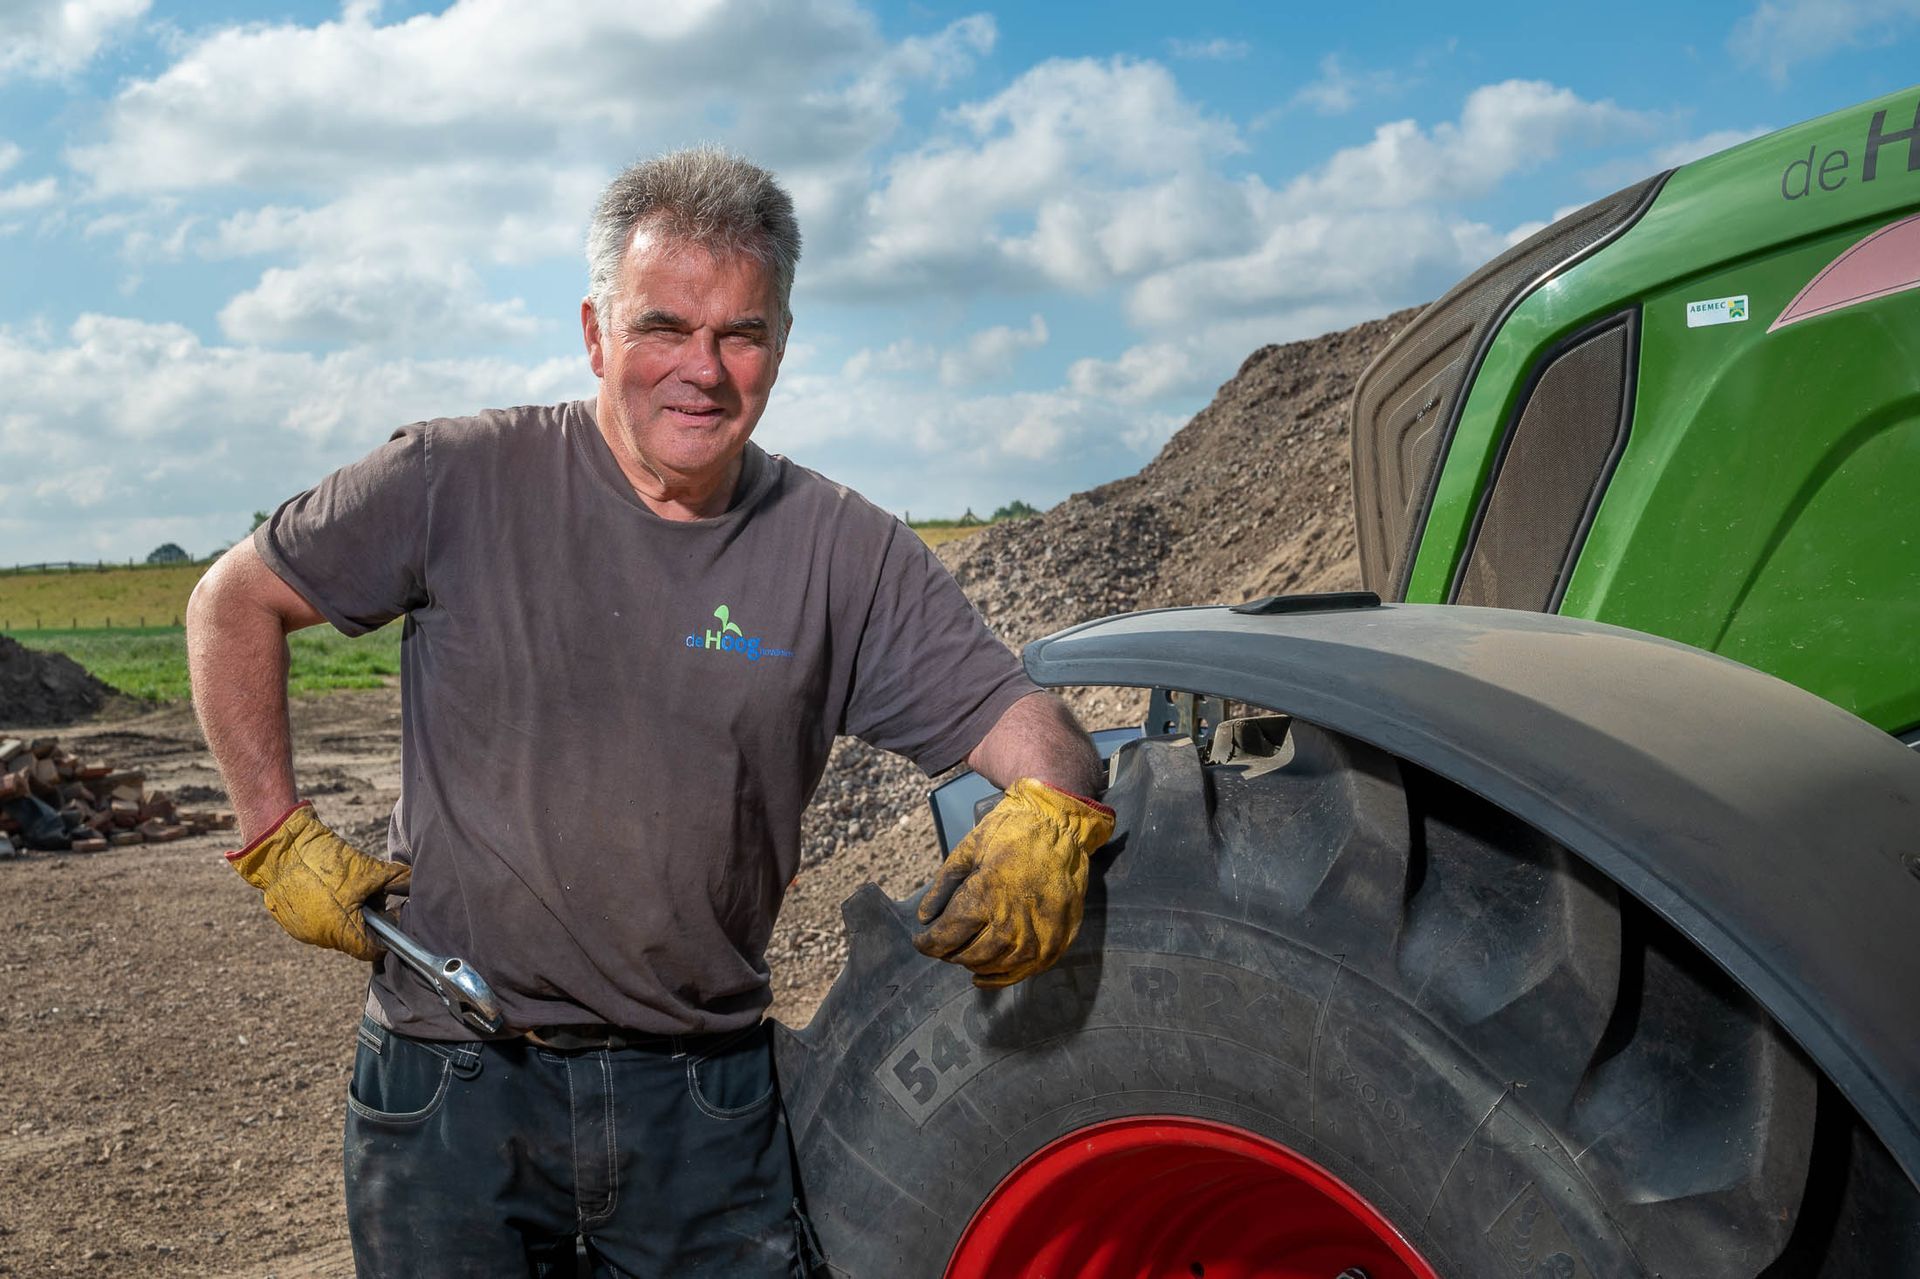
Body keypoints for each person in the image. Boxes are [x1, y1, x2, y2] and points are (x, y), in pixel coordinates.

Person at [184, 147, 1113, 1277]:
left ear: (781, 344)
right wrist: (276, 833)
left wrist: (1053, 806)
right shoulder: (454, 479)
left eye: (741, 334)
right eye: (664, 327)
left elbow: (1028, 724)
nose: (703, 371)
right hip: (453, 1086)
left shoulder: (843, 551)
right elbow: (233, 601)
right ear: (596, 334)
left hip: (701, 1108)